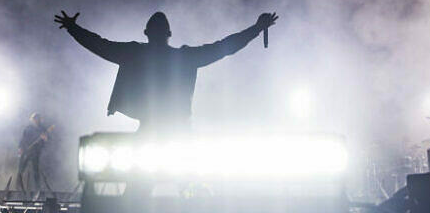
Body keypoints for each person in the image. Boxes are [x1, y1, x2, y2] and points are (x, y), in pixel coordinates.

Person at [54, 10, 278, 132]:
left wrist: (74, 29)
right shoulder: (183, 58)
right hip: (174, 130)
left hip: (155, 128)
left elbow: (99, 45)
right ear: (168, 33)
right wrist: (256, 28)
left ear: (146, 32)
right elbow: (224, 47)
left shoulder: (134, 53)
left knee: (138, 191)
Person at [17, 113, 51, 190]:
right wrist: (20, 148)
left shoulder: (43, 129)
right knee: (21, 168)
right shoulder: (28, 128)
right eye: (35, 119)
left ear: (40, 119)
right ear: (32, 120)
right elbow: (23, 139)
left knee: (35, 170)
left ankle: (37, 188)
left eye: (38, 119)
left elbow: (47, 140)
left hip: (36, 152)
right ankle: (18, 186)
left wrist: (45, 138)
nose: (36, 120)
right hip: (26, 150)